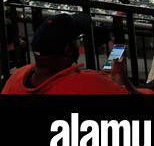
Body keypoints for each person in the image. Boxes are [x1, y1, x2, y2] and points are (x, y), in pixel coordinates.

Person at [2, 13, 131, 94]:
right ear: (68, 51)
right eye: (77, 40)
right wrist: (120, 80)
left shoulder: (16, 78)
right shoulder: (89, 84)